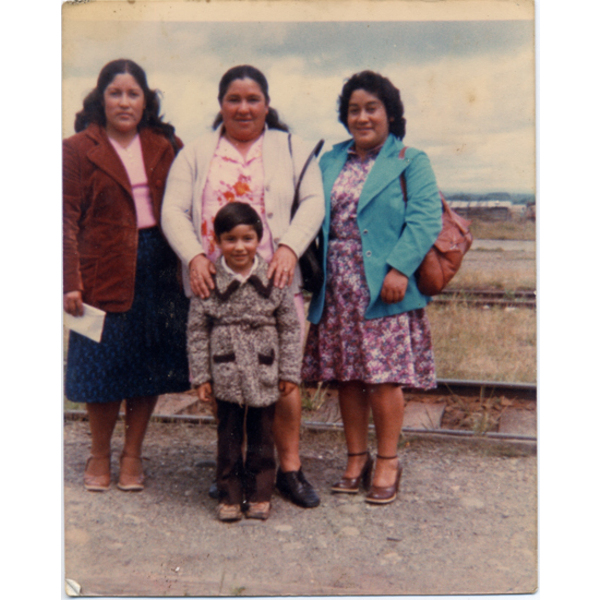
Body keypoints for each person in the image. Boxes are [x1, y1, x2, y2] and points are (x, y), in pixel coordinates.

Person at [162, 65, 324, 508]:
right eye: (234, 99)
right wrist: (195, 255)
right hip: (218, 283)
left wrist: (289, 247)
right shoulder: (196, 152)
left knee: (281, 376)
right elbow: (172, 210)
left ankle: (288, 469)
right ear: (221, 105)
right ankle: (232, 473)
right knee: (226, 373)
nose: (244, 107)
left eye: (253, 99)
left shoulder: (290, 148)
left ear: (267, 104)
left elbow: (313, 201)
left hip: (274, 279)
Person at [302, 71, 443, 504]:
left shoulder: (410, 159)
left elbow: (425, 219)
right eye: (354, 110)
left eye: (371, 109)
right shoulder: (329, 159)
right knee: (347, 377)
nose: (362, 118)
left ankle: (387, 460)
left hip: (385, 287)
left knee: (383, 379)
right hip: (337, 285)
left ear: (390, 113)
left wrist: (399, 269)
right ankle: (356, 457)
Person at [63, 59, 190, 492]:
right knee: (101, 370)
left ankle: (132, 454)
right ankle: (98, 455)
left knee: (146, 366)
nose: (124, 101)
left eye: (132, 93)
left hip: (158, 267)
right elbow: (62, 219)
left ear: (145, 100)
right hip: (100, 269)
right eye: (115, 93)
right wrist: (68, 280)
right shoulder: (76, 148)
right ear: (100, 99)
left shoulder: (166, 144)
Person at [188, 202, 301, 521]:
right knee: (228, 436)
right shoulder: (209, 282)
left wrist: (289, 370)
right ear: (217, 242)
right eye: (230, 240)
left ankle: (260, 493)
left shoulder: (274, 279)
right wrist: (201, 376)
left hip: (265, 369)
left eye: (247, 239)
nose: (239, 247)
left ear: (259, 239)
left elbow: (290, 328)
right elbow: (197, 330)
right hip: (226, 370)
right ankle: (229, 495)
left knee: (263, 435)